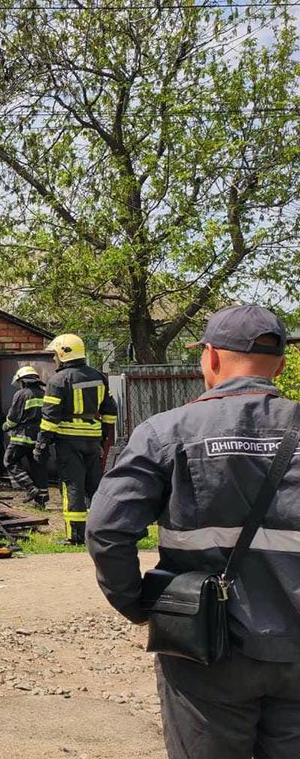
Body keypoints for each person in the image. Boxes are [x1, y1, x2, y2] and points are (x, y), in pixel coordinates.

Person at [87, 305, 299, 759]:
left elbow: (107, 529)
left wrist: (140, 606)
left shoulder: (165, 433)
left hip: (205, 652)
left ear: (211, 358)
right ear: (280, 365)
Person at [33, 333, 118, 545]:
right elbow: (110, 411)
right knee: (95, 487)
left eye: (55, 354)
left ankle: (76, 536)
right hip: (92, 440)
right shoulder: (99, 376)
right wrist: (103, 437)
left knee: (72, 487)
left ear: (63, 353)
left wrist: (41, 444)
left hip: (68, 441)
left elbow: (50, 417)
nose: (54, 358)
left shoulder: (58, 380)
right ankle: (103, 532)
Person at [3, 366, 48, 507]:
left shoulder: (21, 394)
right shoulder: (44, 394)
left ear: (23, 381)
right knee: (38, 466)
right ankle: (41, 501)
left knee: (10, 461)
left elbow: (13, 417)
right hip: (40, 436)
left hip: (22, 436)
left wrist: (6, 426)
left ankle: (30, 488)